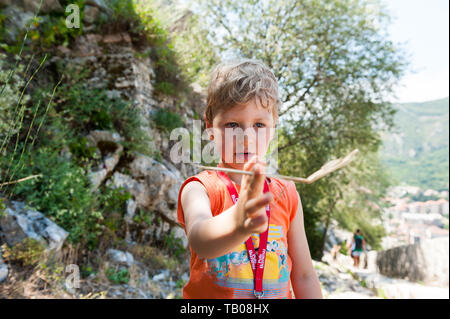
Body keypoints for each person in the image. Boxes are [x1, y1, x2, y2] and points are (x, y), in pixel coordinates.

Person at [177, 58, 323, 299]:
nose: (246, 138)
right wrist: (238, 220)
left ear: (273, 126)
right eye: (232, 124)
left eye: (259, 124)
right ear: (210, 128)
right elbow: (200, 241)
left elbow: (304, 275)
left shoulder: (286, 192)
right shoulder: (199, 188)